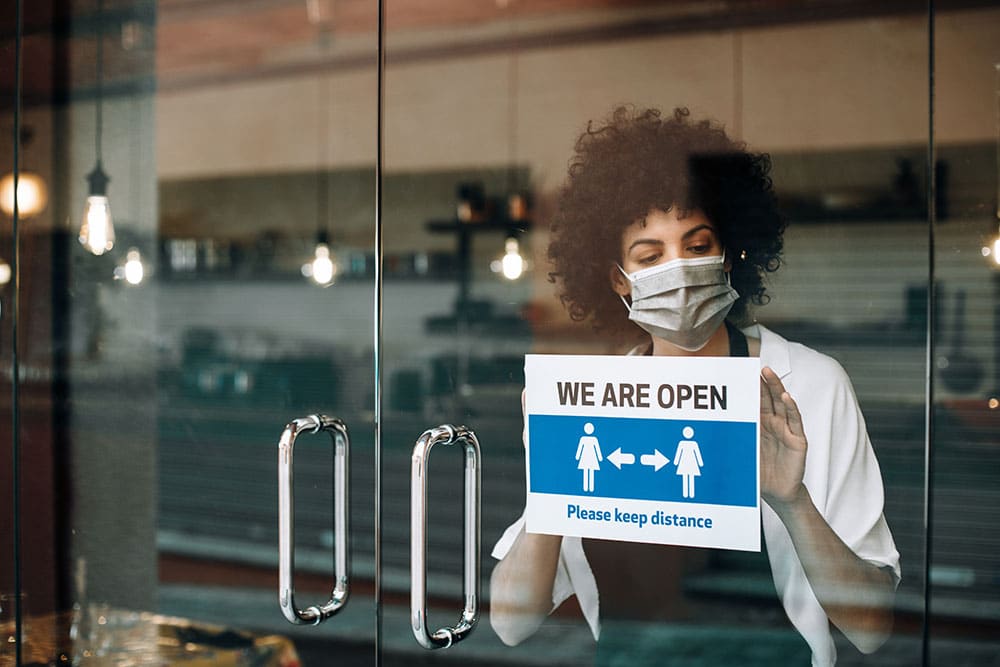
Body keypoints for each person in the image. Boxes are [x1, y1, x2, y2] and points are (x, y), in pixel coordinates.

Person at [489, 107, 900, 666]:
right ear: (618, 280)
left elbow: (872, 627)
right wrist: (549, 488)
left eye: (698, 244)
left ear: (728, 254)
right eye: (650, 256)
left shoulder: (810, 385)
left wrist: (792, 502)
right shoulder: (597, 401)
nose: (678, 271)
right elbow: (511, 624)